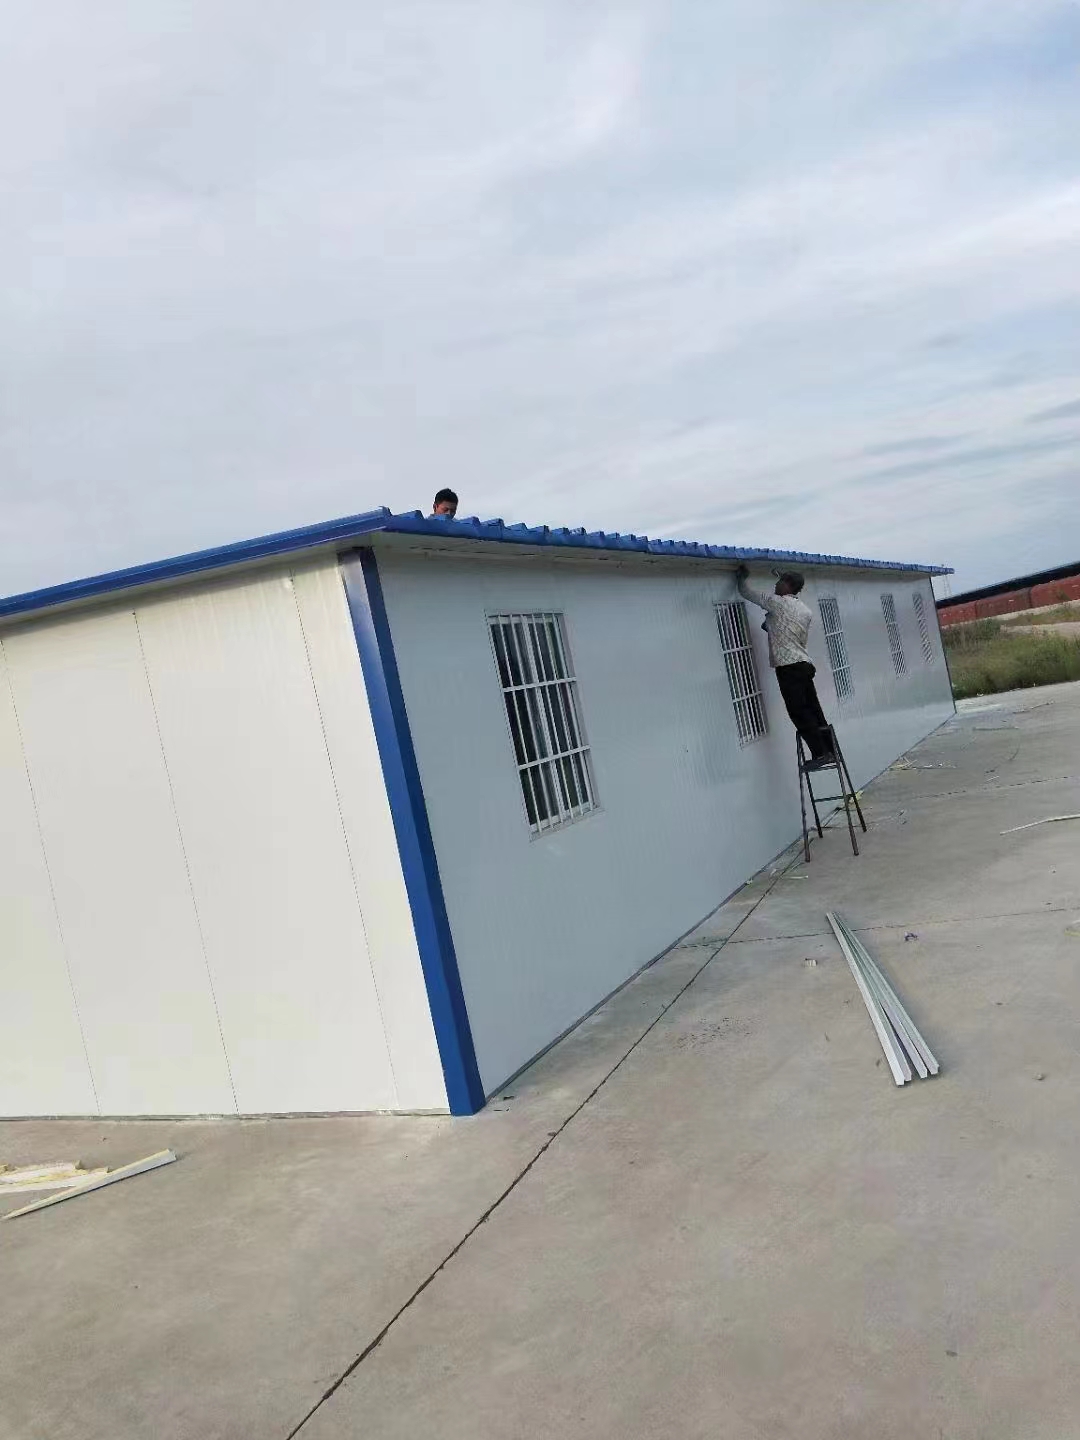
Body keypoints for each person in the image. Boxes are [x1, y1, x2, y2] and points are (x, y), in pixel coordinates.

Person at [734, 565, 833, 768]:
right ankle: (830, 751)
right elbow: (783, 628)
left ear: (787, 585)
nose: (775, 585)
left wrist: (742, 577)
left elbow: (746, 593)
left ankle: (820, 754)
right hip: (804, 664)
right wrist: (770, 625)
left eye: (779, 582)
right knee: (814, 710)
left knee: (798, 711)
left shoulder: (777, 603)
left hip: (788, 667)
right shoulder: (804, 610)